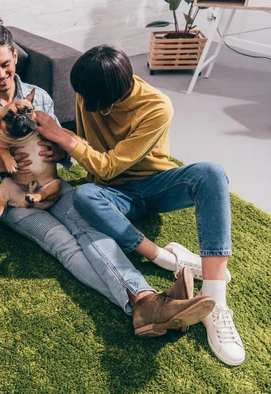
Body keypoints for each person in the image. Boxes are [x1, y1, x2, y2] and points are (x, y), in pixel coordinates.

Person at [0, 12, 215, 341]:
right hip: (8, 192)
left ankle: (146, 300)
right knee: (62, 243)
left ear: (15, 57)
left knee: (88, 228)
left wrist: (60, 154)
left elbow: (66, 153)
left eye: (6, 64)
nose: (1, 74)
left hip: (51, 182)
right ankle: (142, 302)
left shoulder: (40, 97)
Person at [34, 45, 244, 366]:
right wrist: (63, 145)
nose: (86, 105)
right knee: (85, 196)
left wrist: (64, 138)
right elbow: (92, 154)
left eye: (95, 102)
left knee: (212, 173)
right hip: (113, 195)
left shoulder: (157, 106)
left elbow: (108, 165)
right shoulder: (89, 95)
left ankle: (215, 300)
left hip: (155, 186)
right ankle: (165, 258)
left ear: (116, 95)